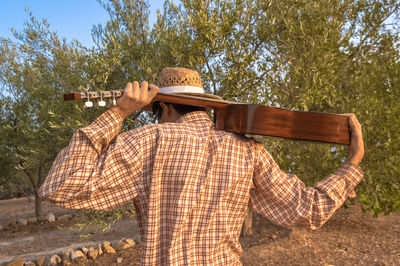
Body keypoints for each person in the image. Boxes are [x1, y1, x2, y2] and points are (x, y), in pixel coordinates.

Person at [39, 67, 364, 265]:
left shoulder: (146, 141)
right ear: (204, 106)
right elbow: (306, 209)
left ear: (163, 106)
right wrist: (353, 161)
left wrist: (118, 113)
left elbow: (61, 185)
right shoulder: (248, 151)